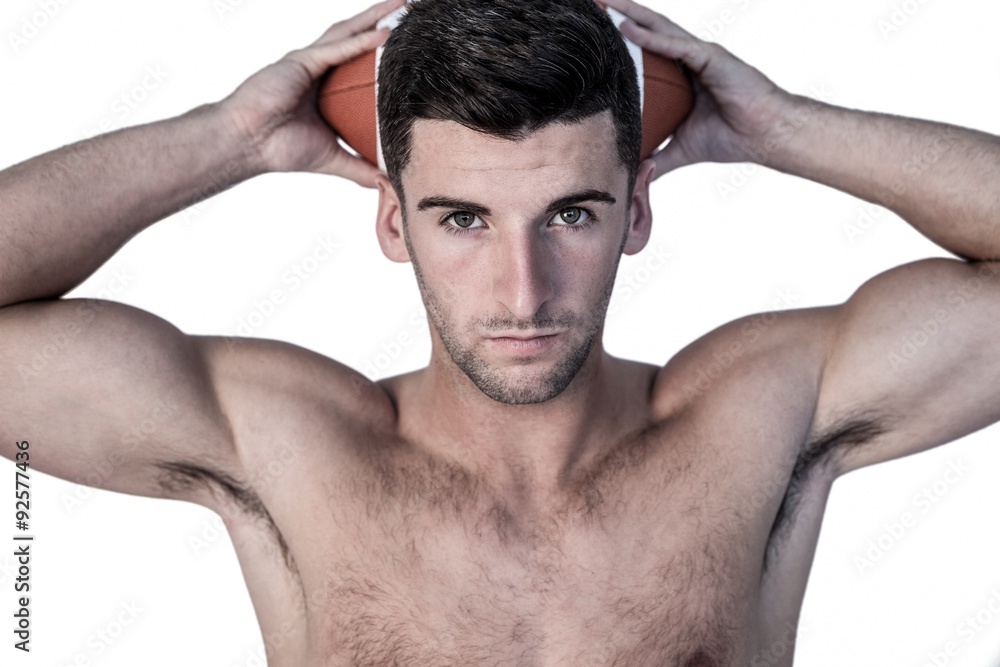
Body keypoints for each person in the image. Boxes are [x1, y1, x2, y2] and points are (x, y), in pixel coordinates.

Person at [2, 0, 1000, 665]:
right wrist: (228, 139)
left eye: (570, 213)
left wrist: (784, 128)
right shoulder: (288, 444)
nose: (522, 291)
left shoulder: (756, 418)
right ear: (394, 221)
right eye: (463, 219)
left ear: (635, 213)